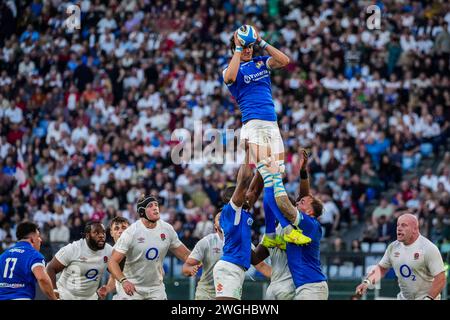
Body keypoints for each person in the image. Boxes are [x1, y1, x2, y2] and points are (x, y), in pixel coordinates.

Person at [258, 149, 328, 300]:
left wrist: (275, 175)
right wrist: (303, 172)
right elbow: (298, 199)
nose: (298, 201)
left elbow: (284, 203)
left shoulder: (310, 224)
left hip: (312, 287)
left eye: (301, 202)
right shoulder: (302, 223)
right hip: (302, 287)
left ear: (309, 212)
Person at [222, 26, 290, 169]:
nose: (248, 50)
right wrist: (238, 48)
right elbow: (229, 79)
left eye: (250, 47)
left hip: (271, 120)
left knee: (277, 169)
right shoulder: (229, 71)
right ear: (235, 50)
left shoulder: (261, 62)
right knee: (269, 170)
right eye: (244, 47)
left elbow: (284, 61)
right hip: (253, 120)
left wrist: (261, 41)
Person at [107, 195, 191, 300]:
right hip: (132, 288)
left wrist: (196, 263)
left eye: (156, 205)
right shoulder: (131, 232)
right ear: (142, 211)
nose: (155, 208)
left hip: (156, 288)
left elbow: (185, 254)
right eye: (150, 206)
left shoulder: (167, 229)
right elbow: (112, 262)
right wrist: (124, 281)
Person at [355, 213, 447, 300]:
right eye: (398, 225)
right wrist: (367, 282)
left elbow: (441, 278)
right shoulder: (393, 247)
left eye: (404, 225)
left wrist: (428, 298)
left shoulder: (428, 248)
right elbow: (381, 269)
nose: (399, 228)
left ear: (415, 229)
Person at [182, 210, 271, 300]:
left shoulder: (244, 243)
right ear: (215, 226)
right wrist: (190, 269)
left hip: (230, 293)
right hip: (206, 294)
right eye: (219, 219)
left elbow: (261, 266)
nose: (223, 219)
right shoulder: (206, 242)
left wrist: (280, 278)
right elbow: (186, 267)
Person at [212, 142, 255, 300]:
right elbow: (244, 181)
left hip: (236, 268)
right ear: (236, 197)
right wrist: (249, 151)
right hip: (229, 267)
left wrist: (265, 166)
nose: (248, 195)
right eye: (244, 194)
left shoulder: (242, 212)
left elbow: (254, 188)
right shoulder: (231, 211)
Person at [46, 221, 113, 300]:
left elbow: (116, 270)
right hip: (66, 296)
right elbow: (50, 268)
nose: (101, 235)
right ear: (87, 235)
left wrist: (108, 287)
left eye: (103, 232)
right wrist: (54, 291)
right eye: (96, 233)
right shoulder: (73, 248)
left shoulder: (109, 250)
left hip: (90, 297)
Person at [0, 222, 57, 300]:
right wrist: (54, 298)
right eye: (38, 236)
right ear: (32, 239)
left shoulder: (3, 255)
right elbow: (42, 278)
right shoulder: (34, 255)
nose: (40, 240)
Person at [252, 224, 296, 300]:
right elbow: (258, 261)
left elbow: (256, 259)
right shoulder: (302, 227)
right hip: (290, 287)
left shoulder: (269, 234)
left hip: (274, 288)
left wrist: (243, 240)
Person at [96, 216, 130, 300]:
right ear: (111, 233)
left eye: (124, 228)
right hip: (125, 295)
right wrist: (107, 288)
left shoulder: (140, 247)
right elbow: (114, 278)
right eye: (116, 228)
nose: (120, 231)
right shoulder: (110, 254)